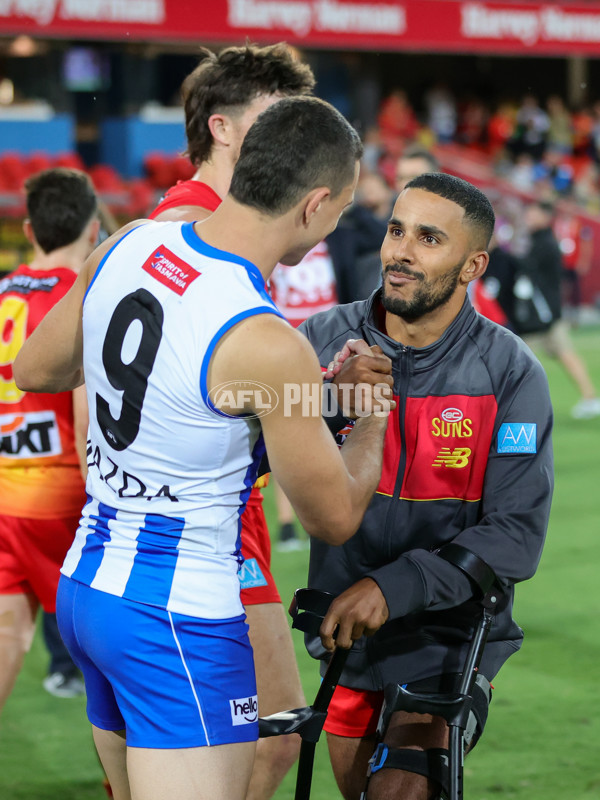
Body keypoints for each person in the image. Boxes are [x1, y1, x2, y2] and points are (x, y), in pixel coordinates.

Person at [13, 96, 392, 800]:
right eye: (339, 208)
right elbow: (333, 515)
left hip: (88, 584)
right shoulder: (265, 338)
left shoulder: (128, 242)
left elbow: (37, 370)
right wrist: (368, 414)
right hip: (174, 611)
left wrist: (312, 400)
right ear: (314, 205)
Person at [299, 172, 554, 800]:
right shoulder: (318, 342)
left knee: (402, 793)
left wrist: (394, 586)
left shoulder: (511, 372)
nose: (400, 252)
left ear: (473, 265)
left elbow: (514, 536)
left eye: (428, 238)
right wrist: (328, 398)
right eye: (395, 230)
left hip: (450, 633)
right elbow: (241, 430)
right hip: (345, 631)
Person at [148, 41, 315, 796]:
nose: (292, 136)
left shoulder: (186, 225)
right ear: (222, 129)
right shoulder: (200, 232)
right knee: (273, 738)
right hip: (208, 531)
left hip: (172, 530)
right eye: (275, 118)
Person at [0, 168, 99, 711]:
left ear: (30, 230)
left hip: (5, 497)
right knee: (111, 670)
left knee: (7, 638)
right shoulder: (79, 298)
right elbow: (86, 418)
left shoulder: (3, 290)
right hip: (59, 502)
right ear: (92, 229)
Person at [518, 200, 600, 419]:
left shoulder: (544, 243)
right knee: (563, 354)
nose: (528, 216)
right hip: (546, 312)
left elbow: (529, 272)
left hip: (543, 314)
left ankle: (590, 398)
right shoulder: (541, 240)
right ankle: (590, 397)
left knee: (519, 359)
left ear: (545, 216)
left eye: (532, 212)